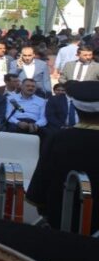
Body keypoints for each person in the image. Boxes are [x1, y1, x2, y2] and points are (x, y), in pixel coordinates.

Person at [27, 81, 99, 231]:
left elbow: (43, 175)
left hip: (61, 213)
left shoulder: (59, 138)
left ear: (77, 109)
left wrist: (42, 205)